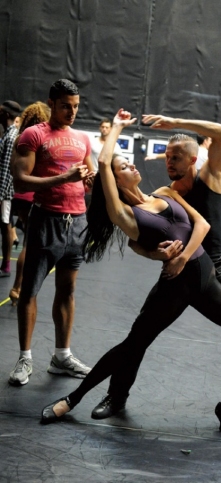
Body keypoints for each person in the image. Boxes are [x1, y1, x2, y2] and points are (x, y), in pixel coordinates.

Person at [41, 108, 221, 433]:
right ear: (115, 181)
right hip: (175, 288)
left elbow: (201, 224)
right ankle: (73, 400)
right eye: (124, 166)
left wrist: (180, 256)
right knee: (132, 345)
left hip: (205, 280)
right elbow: (104, 164)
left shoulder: (163, 193)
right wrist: (117, 127)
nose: (131, 165)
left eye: (129, 163)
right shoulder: (125, 214)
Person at [99, 114, 221, 420]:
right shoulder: (167, 192)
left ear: (192, 159)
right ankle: (116, 396)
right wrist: (157, 255)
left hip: (214, 271)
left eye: (175, 157)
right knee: (141, 333)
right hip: (178, 274)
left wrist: (173, 121)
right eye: (166, 157)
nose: (169, 162)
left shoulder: (211, 176)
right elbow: (136, 240)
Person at [9, 79, 95, 386]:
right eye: (65, 106)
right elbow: (20, 180)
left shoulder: (83, 139)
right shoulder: (33, 135)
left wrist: (90, 182)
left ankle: (61, 356)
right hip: (46, 220)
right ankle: (24, 358)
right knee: (30, 290)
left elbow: (86, 177)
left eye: (75, 106)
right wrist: (64, 177)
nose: (71, 112)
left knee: (67, 291)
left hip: (78, 222)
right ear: (52, 103)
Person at [9, 101, 51, 305]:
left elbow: (12, 171)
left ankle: (19, 286)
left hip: (18, 195)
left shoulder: (20, 139)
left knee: (23, 235)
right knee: (28, 243)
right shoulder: (41, 139)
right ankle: (18, 286)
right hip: (33, 196)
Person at [0, 100, 22, 277]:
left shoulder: (11, 135)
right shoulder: (7, 133)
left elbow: (7, 169)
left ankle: (6, 265)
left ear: (6, 115)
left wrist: (1, 195)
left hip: (4, 192)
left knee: (5, 225)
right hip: (3, 192)